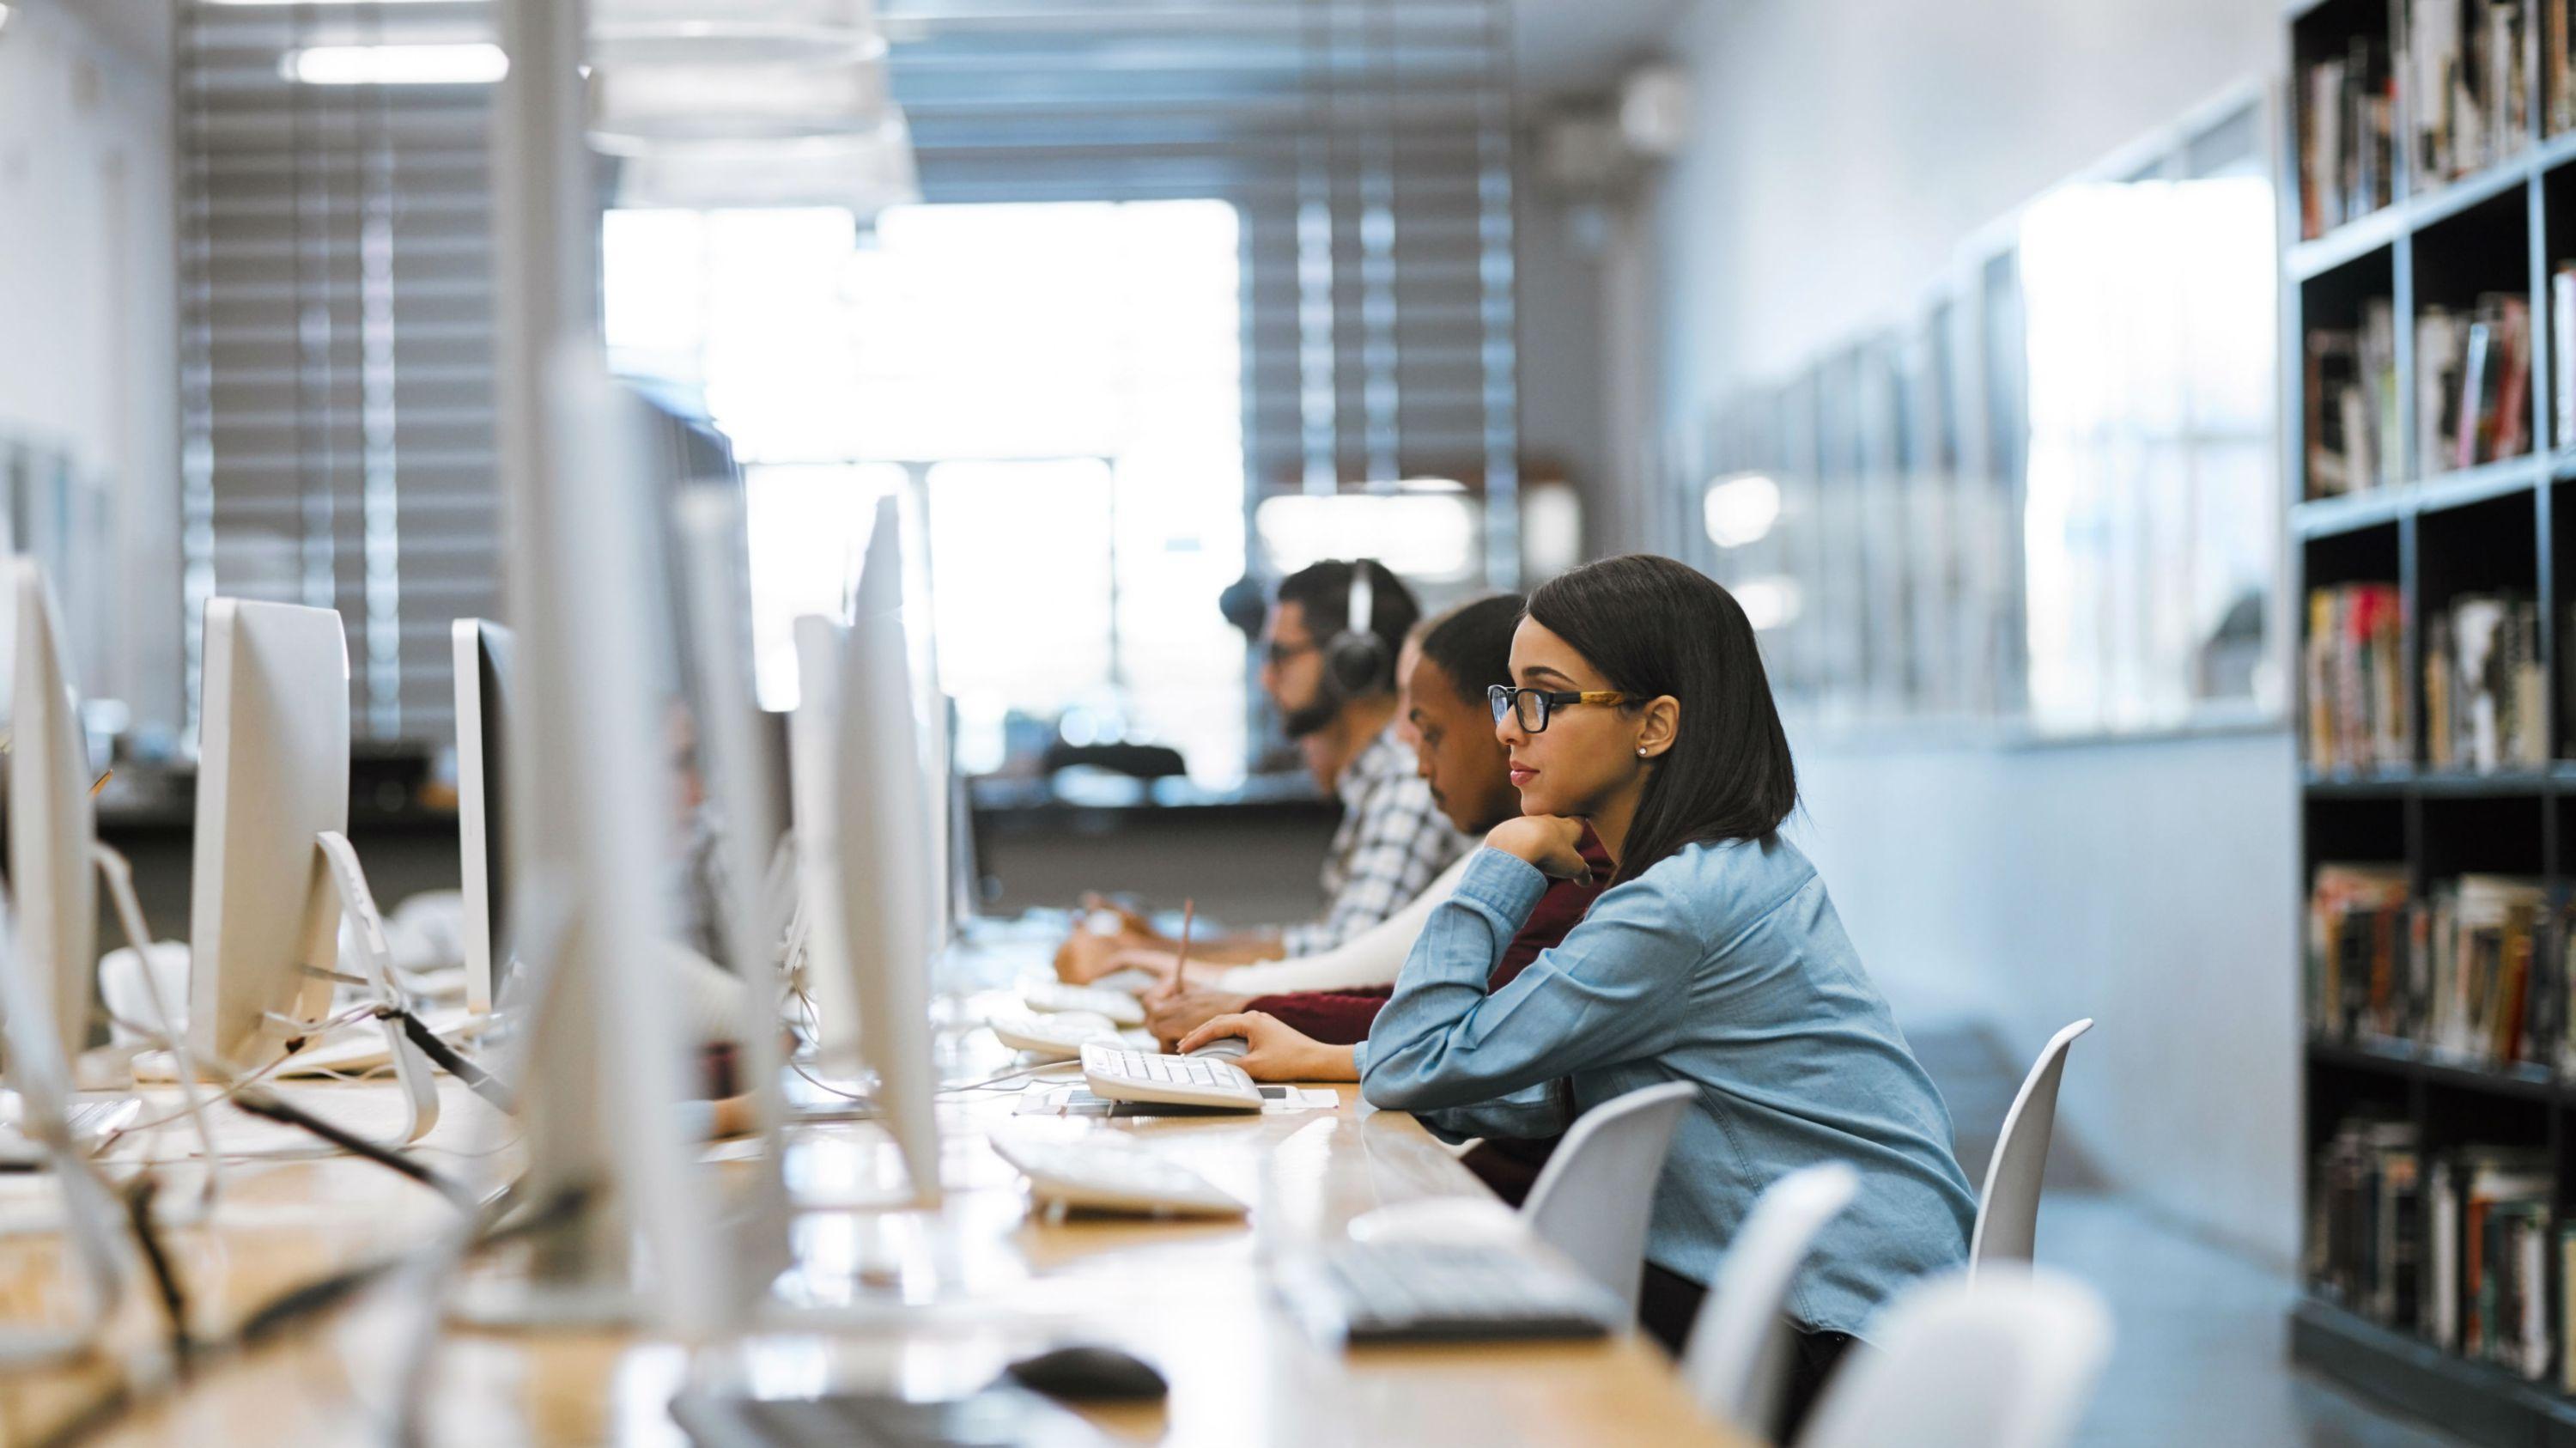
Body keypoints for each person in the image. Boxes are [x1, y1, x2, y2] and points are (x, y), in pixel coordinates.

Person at [1345, 554, 1973, 1427]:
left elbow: (1409, 1062)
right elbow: (1522, 1078)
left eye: (1543, 698)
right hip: (1873, 1303)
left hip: (1829, 1331)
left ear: (1655, 725)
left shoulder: (1677, 908)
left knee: (1442, 1348)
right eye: (1507, 697)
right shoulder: (1726, 869)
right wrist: (1432, 1079)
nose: (1509, 729)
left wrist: (1501, 862)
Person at [1056, 559, 1465, 976]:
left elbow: (1342, 964)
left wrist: (1145, 956)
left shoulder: (1406, 783)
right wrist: (1160, 944)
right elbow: (1320, 944)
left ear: (1351, 664)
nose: (1265, 679)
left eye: (1280, 655)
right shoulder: (1377, 783)